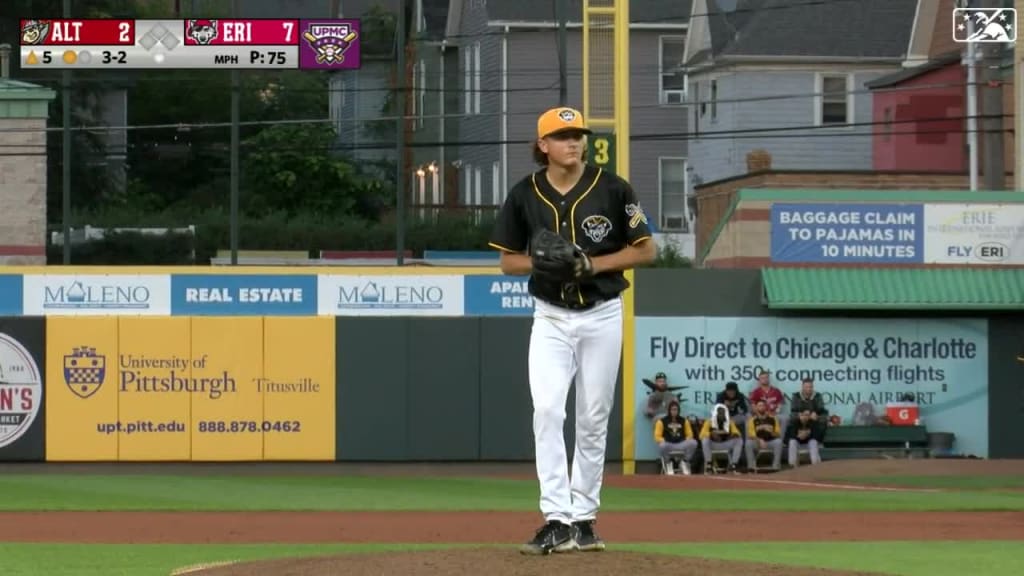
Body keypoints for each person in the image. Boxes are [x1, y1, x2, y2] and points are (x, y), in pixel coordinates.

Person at [487, 106, 657, 555]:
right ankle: (556, 519)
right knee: (547, 411)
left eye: (578, 134)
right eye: (563, 136)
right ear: (543, 146)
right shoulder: (524, 193)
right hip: (550, 316)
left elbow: (646, 250)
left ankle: (584, 517)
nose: (574, 142)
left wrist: (591, 263)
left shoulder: (613, 188)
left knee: (593, 416)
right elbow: (507, 262)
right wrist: (544, 262)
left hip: (601, 312)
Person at [654, 400, 697, 475]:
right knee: (662, 445)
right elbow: (657, 436)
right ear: (669, 410)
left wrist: (687, 439)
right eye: (672, 409)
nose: (674, 411)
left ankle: (684, 462)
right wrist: (664, 440)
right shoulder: (661, 421)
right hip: (668, 444)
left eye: (676, 409)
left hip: (680, 444)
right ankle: (668, 464)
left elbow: (690, 434)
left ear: (678, 410)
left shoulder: (684, 421)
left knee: (693, 443)